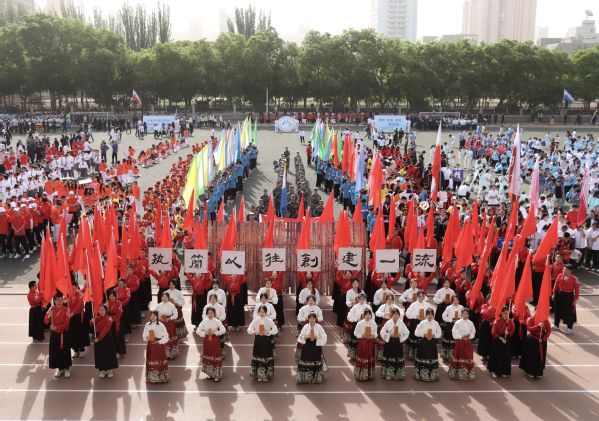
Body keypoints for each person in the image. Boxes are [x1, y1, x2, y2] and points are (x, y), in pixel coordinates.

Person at [247, 305, 278, 382]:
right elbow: (249, 329)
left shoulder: (269, 320)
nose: (262, 313)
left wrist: (268, 332)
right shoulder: (256, 320)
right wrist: (255, 332)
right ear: (258, 312)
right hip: (258, 340)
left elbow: (275, 330)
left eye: (263, 312)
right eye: (260, 312)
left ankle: (265, 375)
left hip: (266, 340)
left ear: (266, 312)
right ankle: (258, 375)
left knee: (265, 355)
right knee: (258, 354)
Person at [45, 292, 72, 379]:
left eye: (61, 300)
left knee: (65, 351)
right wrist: (49, 315)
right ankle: (60, 369)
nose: (59, 302)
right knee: (56, 351)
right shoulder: (51, 309)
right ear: (54, 301)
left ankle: (66, 368)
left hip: (63, 334)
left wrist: (56, 328)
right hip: (54, 335)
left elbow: (67, 323)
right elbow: (45, 321)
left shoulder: (66, 310)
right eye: (57, 300)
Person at [196, 307, 226, 382]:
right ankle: (209, 373)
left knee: (215, 355)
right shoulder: (204, 321)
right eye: (209, 313)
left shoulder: (217, 321)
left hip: (215, 340)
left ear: (214, 314)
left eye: (212, 313)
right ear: (206, 314)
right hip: (207, 341)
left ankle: (216, 374)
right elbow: (198, 330)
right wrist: (204, 333)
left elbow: (223, 330)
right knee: (208, 354)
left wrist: (215, 333)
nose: (210, 315)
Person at [296, 312, 328, 384]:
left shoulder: (319, 327)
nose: (311, 320)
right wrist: (306, 337)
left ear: (315, 319)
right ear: (308, 319)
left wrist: (317, 337)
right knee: (305, 359)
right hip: (307, 346)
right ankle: (304, 378)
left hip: (316, 346)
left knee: (315, 360)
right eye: (310, 318)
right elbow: (300, 336)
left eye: (313, 318)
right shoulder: (305, 327)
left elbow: (324, 336)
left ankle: (315, 378)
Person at [380, 308, 409, 380]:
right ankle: (388, 373)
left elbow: (407, 332)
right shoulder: (388, 322)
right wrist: (390, 334)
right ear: (391, 315)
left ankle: (398, 374)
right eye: (394, 314)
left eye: (397, 314)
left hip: (398, 343)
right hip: (390, 342)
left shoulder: (401, 323)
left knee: (397, 357)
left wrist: (400, 335)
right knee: (389, 356)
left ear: (399, 315)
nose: (395, 315)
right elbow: (382, 332)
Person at [413, 308, 442, 382]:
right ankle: (421, 375)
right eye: (428, 314)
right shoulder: (422, 323)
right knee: (423, 356)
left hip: (432, 343)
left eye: (431, 314)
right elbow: (416, 332)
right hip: (424, 343)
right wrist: (424, 334)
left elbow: (439, 333)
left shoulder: (436, 323)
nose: (430, 316)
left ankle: (432, 375)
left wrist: (434, 335)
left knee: (432, 357)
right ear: (426, 315)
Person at [91, 304, 119, 378]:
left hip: (106, 339)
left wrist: (98, 338)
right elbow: (91, 323)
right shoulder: (97, 318)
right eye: (100, 310)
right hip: (98, 339)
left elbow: (105, 330)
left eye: (103, 310)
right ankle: (103, 370)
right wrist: (91, 321)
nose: (101, 311)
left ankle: (109, 370)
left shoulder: (109, 319)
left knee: (108, 353)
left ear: (106, 310)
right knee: (100, 354)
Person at [448, 308, 477, 380]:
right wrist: (461, 337)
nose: (465, 315)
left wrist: (469, 336)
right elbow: (454, 331)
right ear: (461, 315)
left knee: (468, 356)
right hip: (460, 342)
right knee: (458, 355)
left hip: (468, 342)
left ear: (468, 315)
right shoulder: (457, 323)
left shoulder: (471, 323)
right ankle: (456, 373)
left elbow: (473, 332)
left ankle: (468, 373)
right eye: (464, 314)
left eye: (467, 314)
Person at [487, 306, 515, 378]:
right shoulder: (497, 320)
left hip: (506, 339)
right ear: (502, 313)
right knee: (497, 355)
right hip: (498, 339)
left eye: (508, 313)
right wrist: (501, 338)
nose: (506, 315)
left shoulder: (510, 321)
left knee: (505, 356)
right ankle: (494, 371)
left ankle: (503, 371)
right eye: (505, 313)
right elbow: (493, 332)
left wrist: (508, 333)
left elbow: (512, 331)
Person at [142, 310, 169, 383]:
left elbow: (166, 336)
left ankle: (160, 377)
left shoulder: (161, 325)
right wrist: (147, 337)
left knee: (159, 359)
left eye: (154, 316)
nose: (153, 317)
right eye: (151, 316)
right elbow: (144, 335)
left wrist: (159, 341)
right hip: (150, 345)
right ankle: (152, 378)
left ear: (157, 317)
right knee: (151, 359)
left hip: (159, 345)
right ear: (149, 317)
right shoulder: (147, 325)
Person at [552, 265, 579, 334]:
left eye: (566, 269)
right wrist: (554, 294)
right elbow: (556, 285)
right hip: (560, 294)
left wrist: (575, 299)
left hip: (569, 296)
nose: (564, 270)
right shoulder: (560, 276)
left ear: (570, 271)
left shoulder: (575, 279)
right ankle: (556, 325)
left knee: (569, 311)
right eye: (563, 269)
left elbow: (577, 290)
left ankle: (569, 328)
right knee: (557, 309)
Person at [405, 291, 432, 360]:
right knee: (414, 337)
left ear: (424, 297)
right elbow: (407, 314)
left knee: (423, 338)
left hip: (424, 323)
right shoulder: (413, 304)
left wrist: (426, 317)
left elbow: (431, 314)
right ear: (417, 297)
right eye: (419, 296)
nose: (421, 298)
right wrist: (416, 316)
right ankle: (411, 354)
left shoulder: (427, 305)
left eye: (422, 296)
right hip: (415, 322)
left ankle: (422, 354)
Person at [353, 308, 377, 381]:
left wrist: (373, 335)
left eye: (369, 314)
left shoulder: (373, 323)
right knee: (362, 356)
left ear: (371, 315)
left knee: (370, 357)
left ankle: (369, 374)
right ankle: (360, 374)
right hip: (362, 343)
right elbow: (355, 332)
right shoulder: (360, 323)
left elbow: (376, 333)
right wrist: (362, 335)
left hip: (370, 343)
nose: (368, 316)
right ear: (364, 315)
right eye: (366, 314)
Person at [346, 293, 372, 360]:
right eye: (360, 299)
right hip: (356, 325)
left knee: (364, 341)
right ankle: (353, 355)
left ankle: (362, 355)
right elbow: (349, 316)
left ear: (365, 299)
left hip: (365, 326)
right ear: (358, 299)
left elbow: (372, 316)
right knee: (355, 339)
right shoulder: (355, 307)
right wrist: (356, 319)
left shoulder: (368, 307)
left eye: (363, 299)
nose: (362, 301)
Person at [156, 291, 179, 358]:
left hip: (170, 323)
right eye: (163, 297)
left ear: (168, 298)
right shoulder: (159, 305)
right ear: (161, 298)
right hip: (161, 323)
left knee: (170, 336)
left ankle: (171, 353)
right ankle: (162, 353)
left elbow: (176, 315)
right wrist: (159, 318)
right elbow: (155, 314)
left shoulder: (171, 305)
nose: (164, 298)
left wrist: (170, 318)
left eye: (166, 297)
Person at [441, 296, 463, 361]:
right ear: (452, 301)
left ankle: (457, 356)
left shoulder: (461, 307)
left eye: (457, 300)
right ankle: (448, 356)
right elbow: (443, 316)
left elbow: (464, 315)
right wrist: (451, 320)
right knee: (450, 339)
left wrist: (460, 320)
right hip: (450, 325)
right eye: (454, 300)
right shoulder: (449, 307)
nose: (456, 302)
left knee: (458, 340)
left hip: (459, 325)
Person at [106, 290, 126, 358]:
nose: (111, 297)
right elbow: (104, 313)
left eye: (113, 296)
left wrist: (111, 318)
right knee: (111, 337)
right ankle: (113, 351)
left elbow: (119, 314)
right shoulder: (107, 303)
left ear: (115, 296)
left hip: (117, 322)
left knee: (118, 337)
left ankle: (119, 351)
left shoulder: (119, 303)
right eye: (110, 296)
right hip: (109, 323)